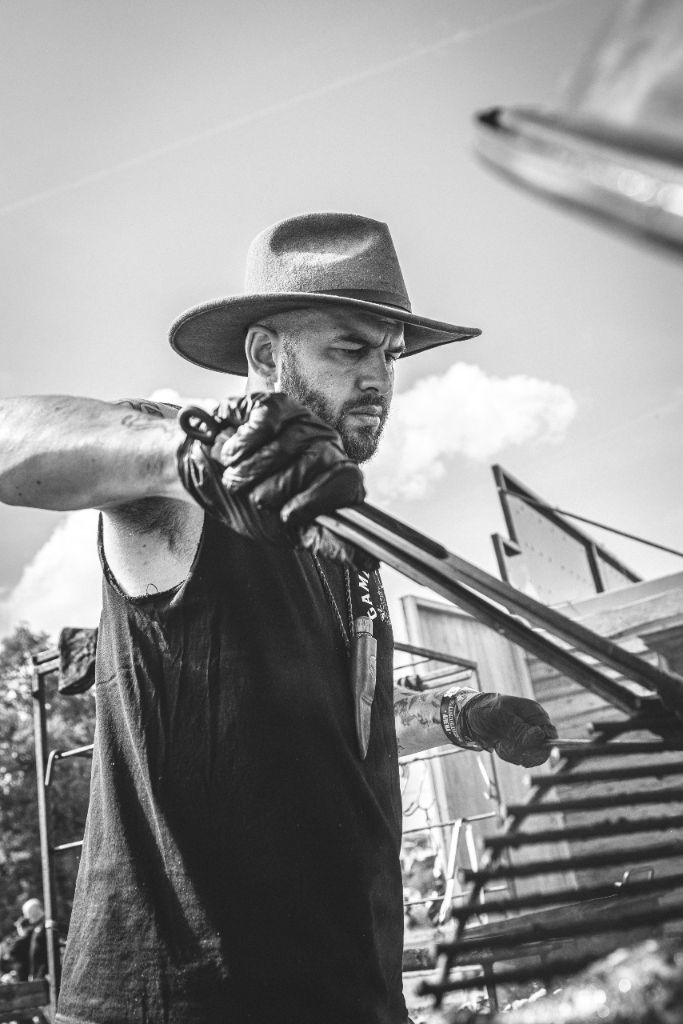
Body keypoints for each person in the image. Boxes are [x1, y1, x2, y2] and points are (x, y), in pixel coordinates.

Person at [0, 212, 557, 1024]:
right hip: (179, 1001)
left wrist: (462, 714)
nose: (378, 377)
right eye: (348, 348)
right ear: (265, 358)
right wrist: (187, 454)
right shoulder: (182, 486)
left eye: (388, 354)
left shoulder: (344, 539)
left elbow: (337, 718)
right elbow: (10, 441)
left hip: (348, 991)